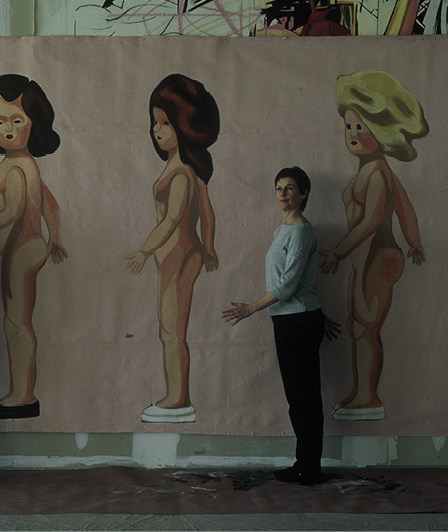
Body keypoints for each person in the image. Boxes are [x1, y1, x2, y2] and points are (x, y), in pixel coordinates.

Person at [320, 70, 428, 421]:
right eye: (348, 127)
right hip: (364, 258)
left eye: (360, 128)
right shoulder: (369, 170)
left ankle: (368, 399)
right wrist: (414, 241)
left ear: (379, 132)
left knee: (365, 326)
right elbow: (406, 206)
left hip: (378, 256)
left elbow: (371, 222)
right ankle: (360, 392)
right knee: (357, 326)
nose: (352, 135)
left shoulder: (378, 173)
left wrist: (338, 251)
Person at [222, 166, 338, 486]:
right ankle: (304, 464)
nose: (282, 193)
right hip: (294, 320)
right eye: (278, 188)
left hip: (297, 322)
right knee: (298, 398)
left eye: (289, 188)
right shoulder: (281, 231)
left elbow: (287, 287)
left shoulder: (301, 231)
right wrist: (318, 313)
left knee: (305, 399)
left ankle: (309, 468)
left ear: (303, 194)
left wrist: (249, 308)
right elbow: (304, 283)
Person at [0, 74, 67, 419]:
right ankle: (21, 391)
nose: (8, 129)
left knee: (16, 323)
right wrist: (55, 237)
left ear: (33, 122)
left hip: (20, 251)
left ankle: (22, 395)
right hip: (30, 247)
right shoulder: (26, 164)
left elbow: (12, 212)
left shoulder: (14, 167)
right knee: (19, 321)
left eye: (16, 120)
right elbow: (49, 203)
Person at [126, 74, 219, 423]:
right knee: (170, 330)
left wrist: (145, 250)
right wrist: (208, 247)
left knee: (171, 331)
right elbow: (207, 213)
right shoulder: (191, 173)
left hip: (177, 256)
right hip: (184, 254)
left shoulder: (181, 175)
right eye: (155, 123)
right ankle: (176, 396)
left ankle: (177, 399)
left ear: (184, 126)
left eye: (165, 122)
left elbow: (171, 220)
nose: (157, 130)